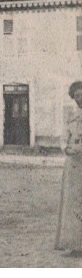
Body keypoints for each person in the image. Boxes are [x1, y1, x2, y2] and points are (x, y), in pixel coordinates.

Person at [56, 81, 82, 256]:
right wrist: (65, 147)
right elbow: (64, 137)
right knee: (71, 201)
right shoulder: (73, 116)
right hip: (73, 164)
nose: (79, 98)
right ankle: (74, 244)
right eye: (76, 95)